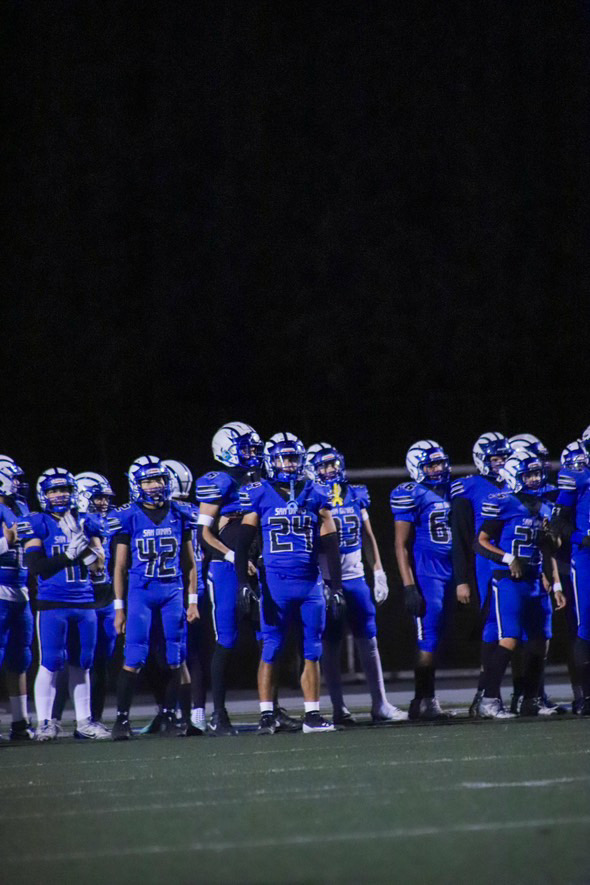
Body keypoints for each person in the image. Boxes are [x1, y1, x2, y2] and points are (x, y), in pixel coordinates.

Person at [236, 432, 344, 734]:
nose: (289, 464)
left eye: (294, 457)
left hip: (310, 583)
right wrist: (243, 582)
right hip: (276, 583)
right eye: (283, 458)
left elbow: (331, 541)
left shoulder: (315, 492)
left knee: (313, 649)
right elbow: (243, 543)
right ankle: (267, 715)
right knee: (270, 648)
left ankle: (311, 715)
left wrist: (335, 586)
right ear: (272, 461)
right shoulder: (258, 492)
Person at [305, 442, 405, 724]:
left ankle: (380, 704)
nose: (331, 469)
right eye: (324, 465)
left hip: (356, 577)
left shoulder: (355, 493)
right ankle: (339, 707)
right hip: (326, 579)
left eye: (333, 463)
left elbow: (368, 535)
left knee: (369, 640)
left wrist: (379, 570)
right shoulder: (310, 497)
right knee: (331, 644)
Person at [110, 456, 198, 740]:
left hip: (172, 590)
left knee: (176, 656)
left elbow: (191, 563)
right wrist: (119, 608)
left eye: (159, 479)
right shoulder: (128, 515)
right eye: (148, 480)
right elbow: (120, 567)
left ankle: (178, 718)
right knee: (134, 654)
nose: (155, 485)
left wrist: (193, 599)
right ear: (137, 485)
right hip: (141, 591)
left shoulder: (179, 513)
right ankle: (121, 720)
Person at [474, 449, 565, 718]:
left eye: (537, 473)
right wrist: (508, 558)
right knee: (510, 639)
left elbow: (552, 548)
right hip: (509, 581)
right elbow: (479, 542)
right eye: (529, 474)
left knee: (540, 641)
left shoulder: (546, 505)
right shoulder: (504, 502)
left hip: (536, 579)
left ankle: (531, 700)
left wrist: (557, 583)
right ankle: (489, 700)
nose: (535, 478)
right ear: (514, 476)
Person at [22, 468, 106, 740]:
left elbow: (99, 569)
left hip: (84, 602)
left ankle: (84, 722)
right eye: (54, 491)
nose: (60, 495)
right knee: (50, 662)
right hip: (52, 603)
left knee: (83, 663)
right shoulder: (38, 522)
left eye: (65, 490)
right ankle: (45, 722)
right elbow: (35, 567)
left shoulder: (88, 521)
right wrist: (68, 554)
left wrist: (82, 549)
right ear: (43, 495)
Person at [390, 440, 454, 720]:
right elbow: (400, 544)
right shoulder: (411, 493)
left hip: (456, 572)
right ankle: (423, 699)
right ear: (417, 468)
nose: (437, 469)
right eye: (430, 465)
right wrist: (409, 585)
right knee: (428, 639)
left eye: (439, 463)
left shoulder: (454, 490)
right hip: (429, 575)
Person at [450, 432, 512, 716]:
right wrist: (462, 579)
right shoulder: (468, 487)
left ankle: (526, 694)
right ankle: (487, 694)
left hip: (517, 565)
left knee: (520, 630)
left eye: (504, 458)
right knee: (493, 627)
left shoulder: (516, 483)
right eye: (495, 459)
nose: (500, 464)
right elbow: (462, 539)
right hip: (487, 565)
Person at [551, 435, 590, 715]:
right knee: (586, 627)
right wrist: (582, 538)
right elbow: (557, 523)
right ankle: (585, 697)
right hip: (586, 557)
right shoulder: (575, 476)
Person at [0, 458, 34, 739]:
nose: (20, 484)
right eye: (14, 478)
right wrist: (5, 542)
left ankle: (20, 722)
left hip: (21, 589)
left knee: (19, 657)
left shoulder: (20, 507)